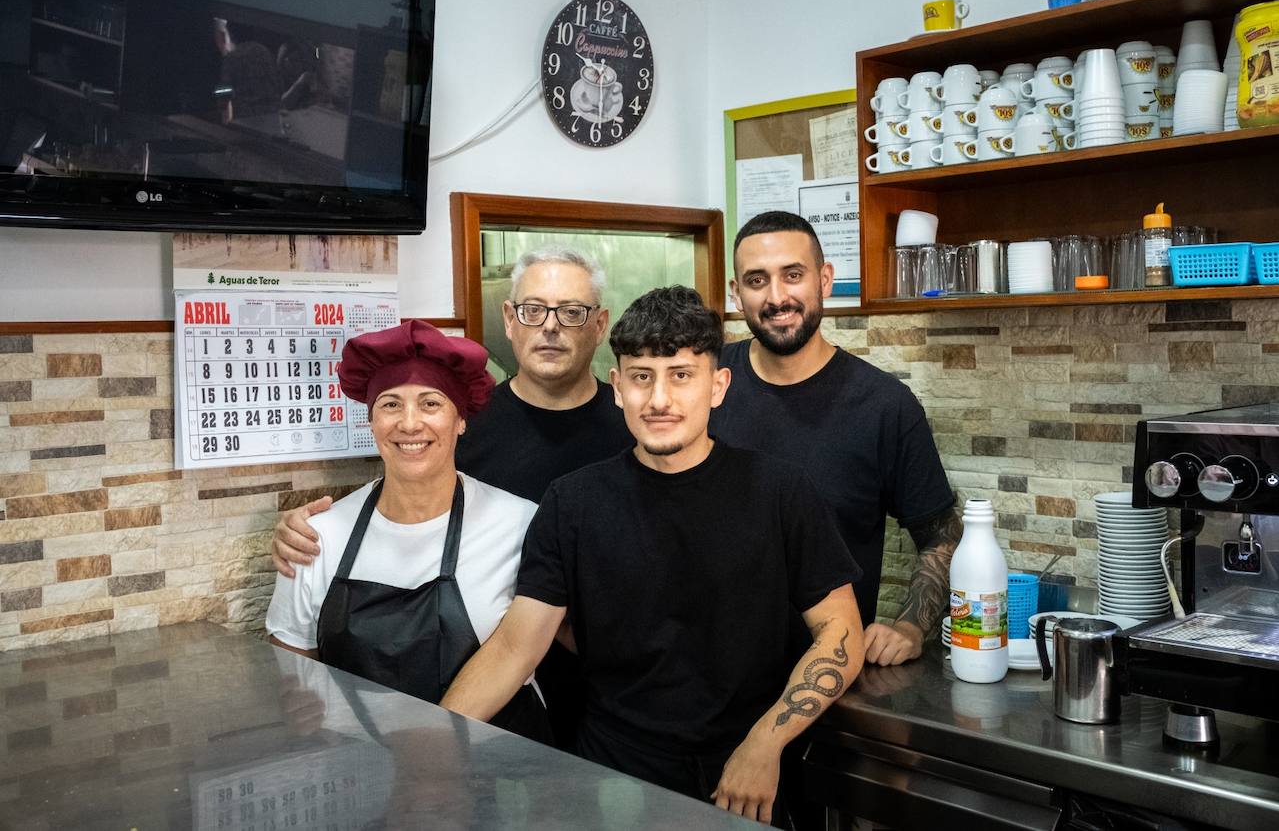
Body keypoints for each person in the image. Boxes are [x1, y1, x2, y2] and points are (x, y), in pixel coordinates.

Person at [439, 286, 864, 826]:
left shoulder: (779, 493)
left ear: (718, 385)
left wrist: (765, 744)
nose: (659, 399)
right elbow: (513, 649)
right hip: (613, 776)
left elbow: (840, 633)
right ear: (617, 387)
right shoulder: (573, 503)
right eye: (642, 376)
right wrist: (431, 749)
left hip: (743, 774)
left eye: (681, 375)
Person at [270, 245, 633, 748]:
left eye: (571, 312)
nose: (412, 424)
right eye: (533, 309)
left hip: (586, 708)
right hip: (400, 745)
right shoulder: (467, 432)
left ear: (599, 324)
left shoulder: (632, 432)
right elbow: (295, 681)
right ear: (509, 319)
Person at [264, 319, 551, 742]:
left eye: (431, 403)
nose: (410, 424)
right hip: (362, 764)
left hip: (506, 761)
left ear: (461, 420)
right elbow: (294, 674)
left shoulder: (522, 524)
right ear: (371, 420)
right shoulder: (317, 538)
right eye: (391, 404)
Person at [714, 211, 960, 667]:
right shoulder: (704, 384)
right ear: (736, 292)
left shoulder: (884, 405)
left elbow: (942, 536)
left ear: (824, 279)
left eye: (793, 275)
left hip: (829, 675)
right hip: (706, 674)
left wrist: (912, 625)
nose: (777, 297)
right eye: (756, 280)